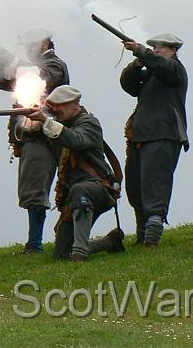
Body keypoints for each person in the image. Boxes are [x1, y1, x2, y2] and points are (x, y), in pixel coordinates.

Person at [0, 28, 69, 254]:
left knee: (35, 190)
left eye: (32, 43)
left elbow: (42, 78)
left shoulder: (54, 64)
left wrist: (14, 61)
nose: (28, 47)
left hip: (45, 136)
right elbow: (4, 82)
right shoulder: (31, 66)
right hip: (32, 136)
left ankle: (35, 244)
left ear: (45, 43)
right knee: (31, 189)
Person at [27, 85, 124, 262]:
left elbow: (76, 141)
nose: (56, 109)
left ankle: (80, 254)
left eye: (61, 105)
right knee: (61, 255)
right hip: (74, 196)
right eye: (53, 106)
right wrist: (34, 125)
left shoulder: (89, 123)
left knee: (81, 190)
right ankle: (110, 242)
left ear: (75, 104)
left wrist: (46, 122)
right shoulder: (57, 126)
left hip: (100, 188)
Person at [120, 34, 188, 246]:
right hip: (141, 137)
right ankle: (143, 237)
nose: (157, 50)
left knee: (155, 188)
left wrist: (142, 52)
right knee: (135, 188)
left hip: (163, 135)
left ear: (174, 51)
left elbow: (162, 66)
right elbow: (127, 84)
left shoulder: (175, 69)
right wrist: (137, 62)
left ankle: (152, 238)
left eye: (162, 47)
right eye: (154, 47)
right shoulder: (151, 74)